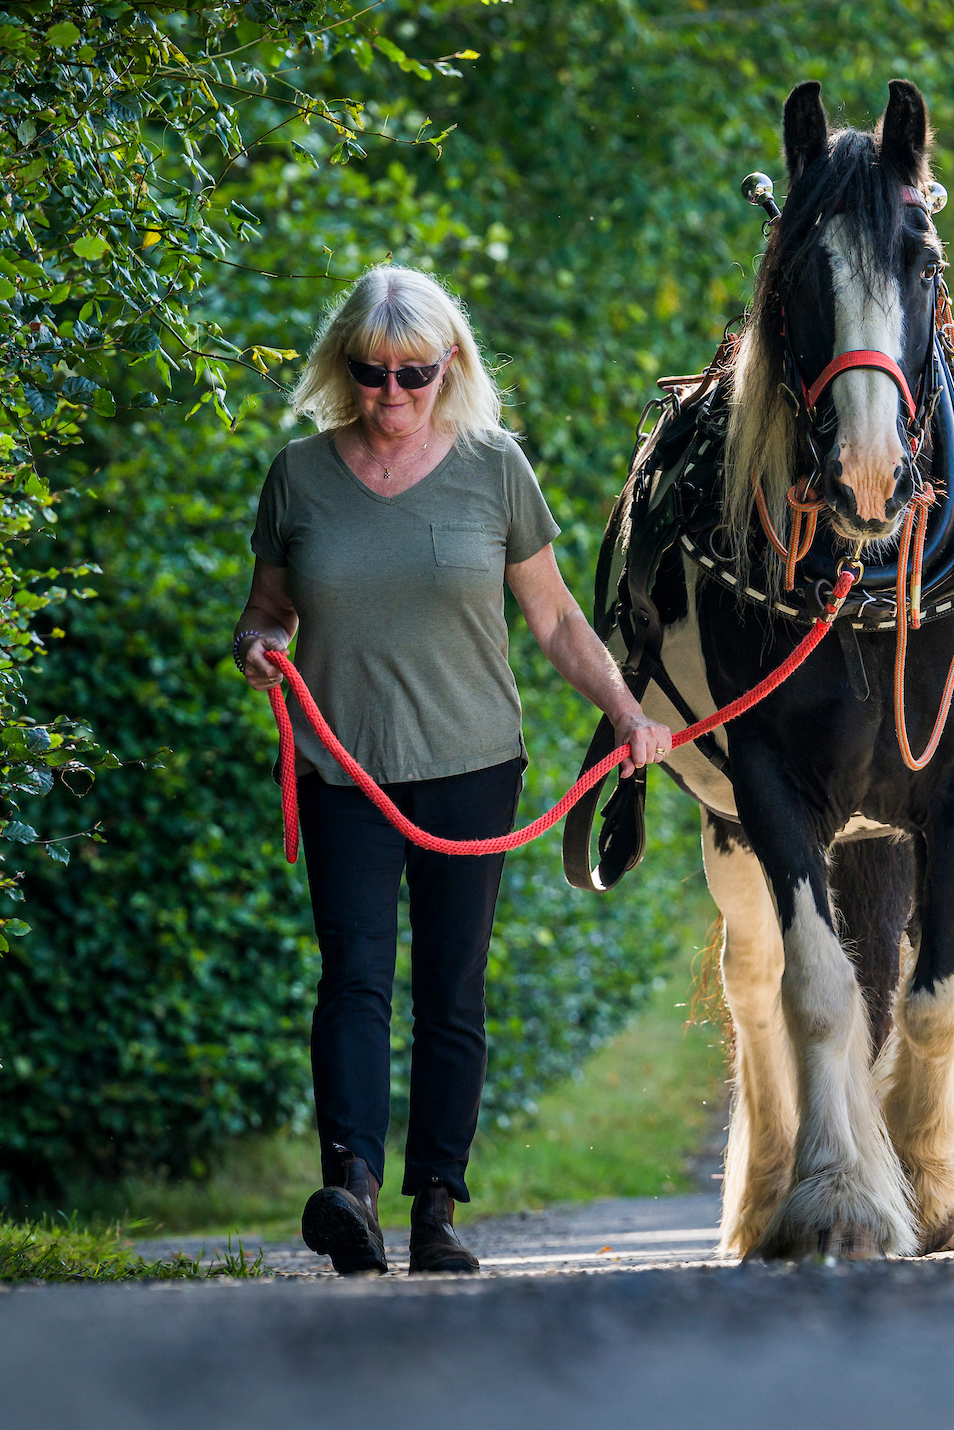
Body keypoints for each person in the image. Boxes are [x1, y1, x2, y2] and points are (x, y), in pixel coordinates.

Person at [233, 266, 673, 1275]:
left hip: (473, 764)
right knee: (352, 978)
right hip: (343, 767)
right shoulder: (298, 476)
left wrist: (625, 712)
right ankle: (351, 1187)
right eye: (372, 372)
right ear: (343, 368)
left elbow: (556, 618)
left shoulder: (494, 468)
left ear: (451, 367)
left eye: (414, 374)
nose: (392, 394)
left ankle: (437, 1205)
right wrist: (258, 645)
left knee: (451, 989)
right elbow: (269, 608)